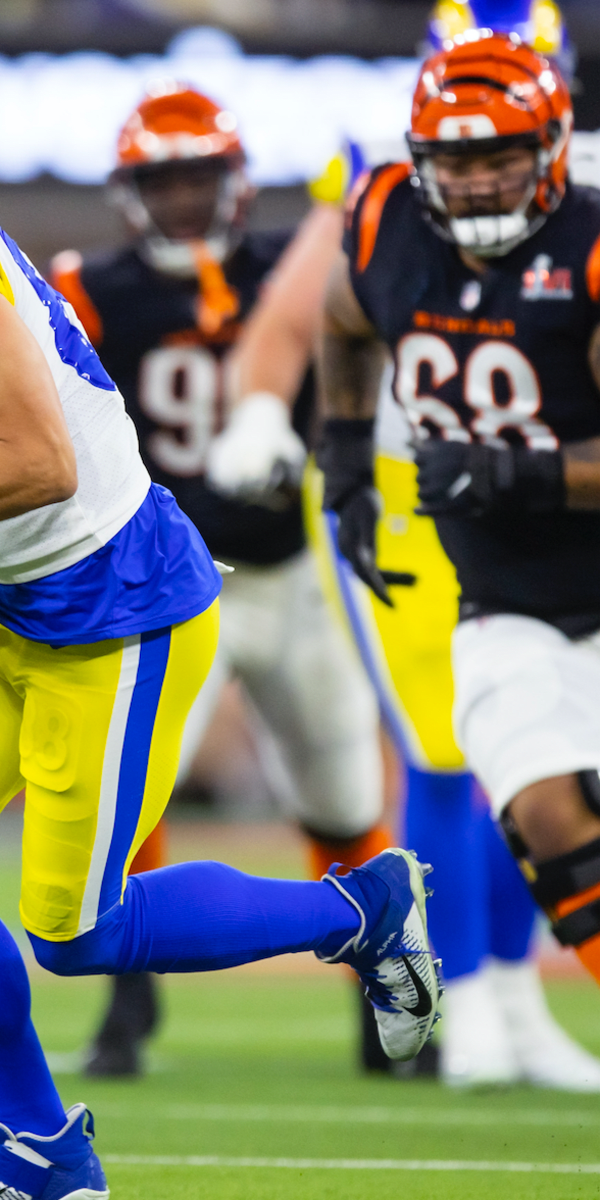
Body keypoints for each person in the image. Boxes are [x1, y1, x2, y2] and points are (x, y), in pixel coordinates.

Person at [0, 5, 441, 1198]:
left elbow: (36, 460)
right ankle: (43, 1158)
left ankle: (358, 909)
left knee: (79, 933)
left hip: (116, 595)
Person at [50, 85, 389, 1078]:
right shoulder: (86, 288)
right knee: (129, 796)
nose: (185, 198)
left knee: (341, 793)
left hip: (291, 576)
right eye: (164, 178)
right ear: (129, 188)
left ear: (235, 179)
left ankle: (384, 994)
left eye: (199, 175)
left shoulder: (294, 266)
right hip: (168, 586)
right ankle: (127, 1002)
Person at [308, 8, 600, 1091]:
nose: (475, 181)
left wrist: (517, 471)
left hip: (574, 540)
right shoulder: (386, 209)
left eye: (498, 156)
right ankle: (474, 1001)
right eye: (454, 159)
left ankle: (508, 1004)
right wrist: (341, 460)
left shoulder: (589, 235)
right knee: (506, 786)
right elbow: (334, 316)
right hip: (470, 555)